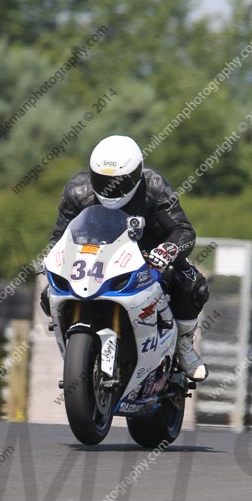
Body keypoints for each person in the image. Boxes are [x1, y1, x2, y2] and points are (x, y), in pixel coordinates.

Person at [41, 135, 209, 381]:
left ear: (137, 174)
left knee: (191, 283)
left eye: (121, 181)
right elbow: (60, 235)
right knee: (48, 293)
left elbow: (183, 230)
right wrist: (51, 255)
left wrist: (167, 250)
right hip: (95, 258)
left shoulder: (154, 186)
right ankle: (76, 347)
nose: (113, 188)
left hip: (149, 256)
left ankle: (183, 346)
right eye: (104, 180)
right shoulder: (77, 190)